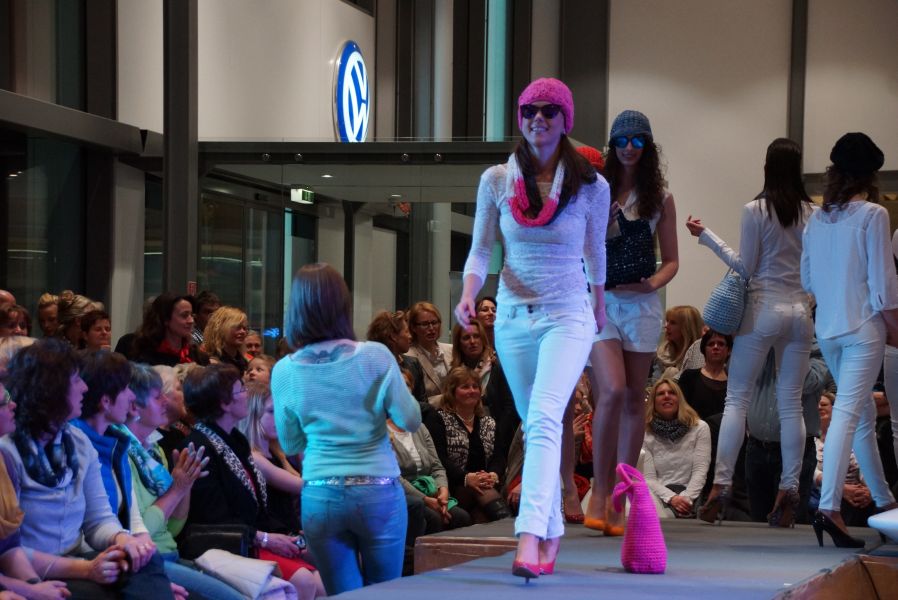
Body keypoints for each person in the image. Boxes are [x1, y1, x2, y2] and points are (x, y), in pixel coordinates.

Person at [455, 77, 608, 580]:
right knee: (535, 421)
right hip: (513, 317)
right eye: (528, 110)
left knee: (544, 417)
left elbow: (595, 251)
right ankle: (554, 527)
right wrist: (468, 293)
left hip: (567, 313)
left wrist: (599, 302)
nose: (537, 118)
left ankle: (529, 533)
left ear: (566, 120)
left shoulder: (591, 184)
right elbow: (481, 248)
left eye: (548, 110)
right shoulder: (497, 180)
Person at [271, 263, 421, 595]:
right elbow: (410, 420)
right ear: (343, 304)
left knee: (343, 594)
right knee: (382, 591)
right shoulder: (375, 356)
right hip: (377, 490)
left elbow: (291, 442)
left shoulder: (284, 370)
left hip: (321, 493)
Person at [688, 137, 815, 527]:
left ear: (767, 167)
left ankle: (721, 487)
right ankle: (789, 489)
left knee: (737, 400)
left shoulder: (755, 210)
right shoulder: (813, 214)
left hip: (762, 311)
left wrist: (707, 237)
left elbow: (745, 267)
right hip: (800, 312)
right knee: (791, 404)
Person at [0, 339, 176, 599]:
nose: (84, 387)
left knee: (144, 559)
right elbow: (9, 550)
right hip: (35, 570)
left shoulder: (79, 442)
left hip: (79, 560)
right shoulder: (8, 451)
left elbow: (99, 520)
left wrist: (123, 539)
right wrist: (87, 569)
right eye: (75, 380)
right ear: (51, 389)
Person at [801, 132, 898, 547]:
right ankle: (829, 508)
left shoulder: (816, 220)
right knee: (848, 414)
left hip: (829, 328)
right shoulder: (874, 215)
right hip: (863, 328)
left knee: (858, 415)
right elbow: (884, 287)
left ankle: (885, 501)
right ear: (870, 175)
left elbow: (807, 280)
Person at [586, 109, 678, 537]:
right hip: (600, 301)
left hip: (641, 306)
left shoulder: (660, 198)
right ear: (611, 146)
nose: (628, 148)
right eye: (621, 141)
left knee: (632, 399)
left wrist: (652, 283)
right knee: (612, 391)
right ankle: (600, 490)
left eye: (637, 140)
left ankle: (622, 495)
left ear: (648, 146)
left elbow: (671, 259)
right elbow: (579, 247)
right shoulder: (595, 190)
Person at [182, 364, 322, 599]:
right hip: (226, 543)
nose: (247, 394)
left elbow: (257, 510)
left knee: (328, 571)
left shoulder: (236, 440)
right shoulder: (199, 448)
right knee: (305, 582)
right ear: (224, 403)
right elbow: (212, 520)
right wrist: (265, 538)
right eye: (241, 390)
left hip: (252, 536)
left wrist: (283, 534)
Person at [121, 363, 249, 600]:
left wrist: (185, 485)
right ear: (134, 406)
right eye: (157, 397)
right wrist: (177, 489)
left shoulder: (154, 450)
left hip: (171, 554)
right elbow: (141, 531)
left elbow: (172, 528)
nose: (166, 402)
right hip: (149, 561)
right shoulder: (122, 455)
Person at [0, 379, 72, 599]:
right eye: (4, 402)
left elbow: (8, 549)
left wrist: (37, 586)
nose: (13, 405)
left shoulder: (4, 461)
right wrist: (29, 590)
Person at [424, 366, 510, 523]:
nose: (472, 391)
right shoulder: (438, 419)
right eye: (465, 387)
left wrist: (493, 474)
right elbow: (439, 459)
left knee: (482, 516)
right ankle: (509, 525)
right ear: (452, 392)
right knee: (481, 490)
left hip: (485, 483)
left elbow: (499, 457)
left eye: (475, 386)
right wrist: (466, 478)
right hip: (452, 485)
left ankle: (505, 528)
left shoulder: (488, 421)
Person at [641, 378, 711, 519]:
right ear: (653, 401)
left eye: (672, 392)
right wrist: (672, 498)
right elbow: (649, 478)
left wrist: (686, 498)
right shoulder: (645, 432)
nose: (666, 396)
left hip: (691, 497)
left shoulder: (700, 428)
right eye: (661, 394)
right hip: (657, 497)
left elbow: (700, 470)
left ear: (679, 398)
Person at [813, 393, 875, 526]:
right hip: (823, 490)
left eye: (824, 404)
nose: (819, 407)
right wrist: (840, 489)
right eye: (816, 405)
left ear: (834, 409)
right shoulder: (809, 438)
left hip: (856, 488)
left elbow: (865, 464)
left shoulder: (853, 436)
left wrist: (869, 490)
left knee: (863, 497)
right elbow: (811, 472)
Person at [366, 310, 428, 408]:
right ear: (393, 336)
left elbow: (423, 404)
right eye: (406, 331)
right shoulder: (370, 368)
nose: (410, 336)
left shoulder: (413, 363)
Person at [131, 293, 209, 367]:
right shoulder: (145, 358)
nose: (191, 320)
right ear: (166, 319)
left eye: (191, 315)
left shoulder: (198, 357)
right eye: (184, 315)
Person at [676, 330, 732, 421]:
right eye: (711, 344)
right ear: (704, 350)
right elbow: (680, 410)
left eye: (721, 344)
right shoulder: (689, 377)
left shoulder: (733, 383)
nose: (715, 347)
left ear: (728, 350)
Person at [405, 302, 453, 400]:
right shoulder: (408, 356)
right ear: (413, 327)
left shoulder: (451, 350)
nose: (431, 328)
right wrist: (447, 399)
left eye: (434, 323)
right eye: (425, 324)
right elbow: (414, 399)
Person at [652, 306, 703, 382]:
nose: (666, 326)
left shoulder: (700, 356)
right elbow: (654, 382)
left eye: (673, 323)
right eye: (667, 321)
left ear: (687, 328)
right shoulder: (662, 352)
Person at [203, 306, 250, 375]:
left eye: (244, 328)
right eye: (238, 327)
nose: (243, 332)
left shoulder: (246, 362)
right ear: (221, 329)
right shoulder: (212, 364)